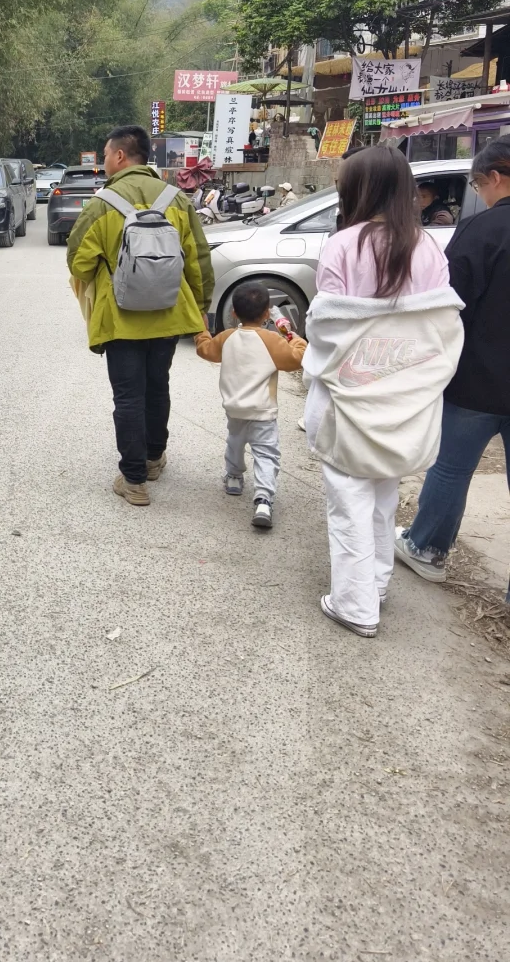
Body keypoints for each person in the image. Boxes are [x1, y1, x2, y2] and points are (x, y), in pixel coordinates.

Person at [302, 146, 464, 637]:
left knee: (348, 498)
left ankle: (355, 605)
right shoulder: (427, 246)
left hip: (349, 394)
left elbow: (327, 325)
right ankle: (375, 585)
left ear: (358, 189)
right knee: (383, 492)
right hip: (406, 395)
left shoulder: (342, 245)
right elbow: (437, 326)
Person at [67, 124, 214, 506]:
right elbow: (198, 258)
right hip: (169, 313)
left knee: (128, 396)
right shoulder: (177, 199)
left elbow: (78, 261)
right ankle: (153, 459)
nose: (104, 162)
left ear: (120, 156)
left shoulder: (102, 204)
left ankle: (133, 482)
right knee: (157, 386)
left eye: (105, 155)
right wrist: (201, 306)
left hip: (121, 319)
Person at [395, 138, 510, 591]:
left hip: (477, 379)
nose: (480, 192)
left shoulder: (481, 230)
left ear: (495, 177)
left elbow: (450, 306)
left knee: (451, 468)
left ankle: (427, 548)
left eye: (478, 184)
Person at [194, 283, 306, 529]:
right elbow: (296, 359)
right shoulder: (272, 340)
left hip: (234, 408)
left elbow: (206, 350)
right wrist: (295, 339)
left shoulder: (226, 337)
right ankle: (263, 499)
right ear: (267, 313)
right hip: (263, 411)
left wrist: (202, 330)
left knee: (235, 441)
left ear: (234, 312)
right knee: (266, 453)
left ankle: (234, 477)